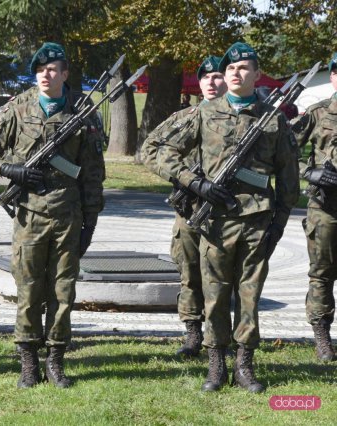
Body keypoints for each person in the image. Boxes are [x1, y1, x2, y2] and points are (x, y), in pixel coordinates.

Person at [155, 42, 299, 393]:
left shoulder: (273, 119)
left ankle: (245, 366)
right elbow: (158, 150)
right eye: (230, 69)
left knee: (249, 296)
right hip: (216, 222)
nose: (236, 73)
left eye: (243, 68)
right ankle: (216, 365)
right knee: (215, 295)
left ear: (256, 73)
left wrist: (278, 225)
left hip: (257, 220)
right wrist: (195, 183)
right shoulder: (204, 113)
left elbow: (289, 178)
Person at [0, 42, 105, 389]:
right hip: (30, 214)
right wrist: (10, 170)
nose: (46, 75)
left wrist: (90, 219)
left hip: (68, 214)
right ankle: (28, 363)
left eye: (54, 69)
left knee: (63, 291)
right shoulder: (18, 107)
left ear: (64, 74)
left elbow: (92, 170)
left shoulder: (83, 110)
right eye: (41, 70)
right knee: (29, 289)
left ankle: (56, 360)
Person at [141, 55, 227, 358]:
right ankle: (193, 334)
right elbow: (149, 150)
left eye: (218, 77)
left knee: (222, 276)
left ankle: (220, 338)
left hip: (227, 213)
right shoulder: (185, 117)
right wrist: (182, 178)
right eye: (206, 77)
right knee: (190, 273)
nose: (212, 83)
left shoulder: (240, 121)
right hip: (190, 208)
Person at [292, 52, 337, 362]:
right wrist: (310, 173)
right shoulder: (318, 113)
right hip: (326, 208)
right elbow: (281, 152)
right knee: (322, 273)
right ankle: (322, 338)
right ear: (333, 75)